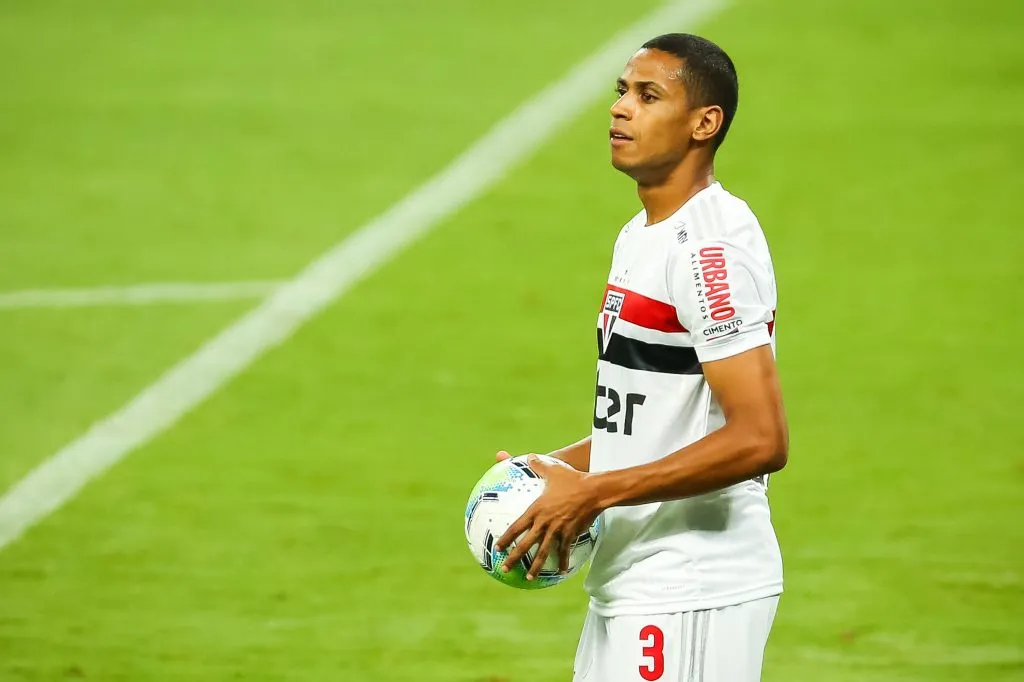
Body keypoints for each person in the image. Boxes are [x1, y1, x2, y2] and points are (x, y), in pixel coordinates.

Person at [493, 33, 789, 682]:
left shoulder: (711, 251)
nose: (620, 109)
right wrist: (547, 472)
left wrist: (593, 494)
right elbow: (651, 421)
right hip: (633, 580)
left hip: (693, 586)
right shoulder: (642, 236)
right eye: (622, 92)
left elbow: (761, 438)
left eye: (648, 95)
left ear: (703, 123)